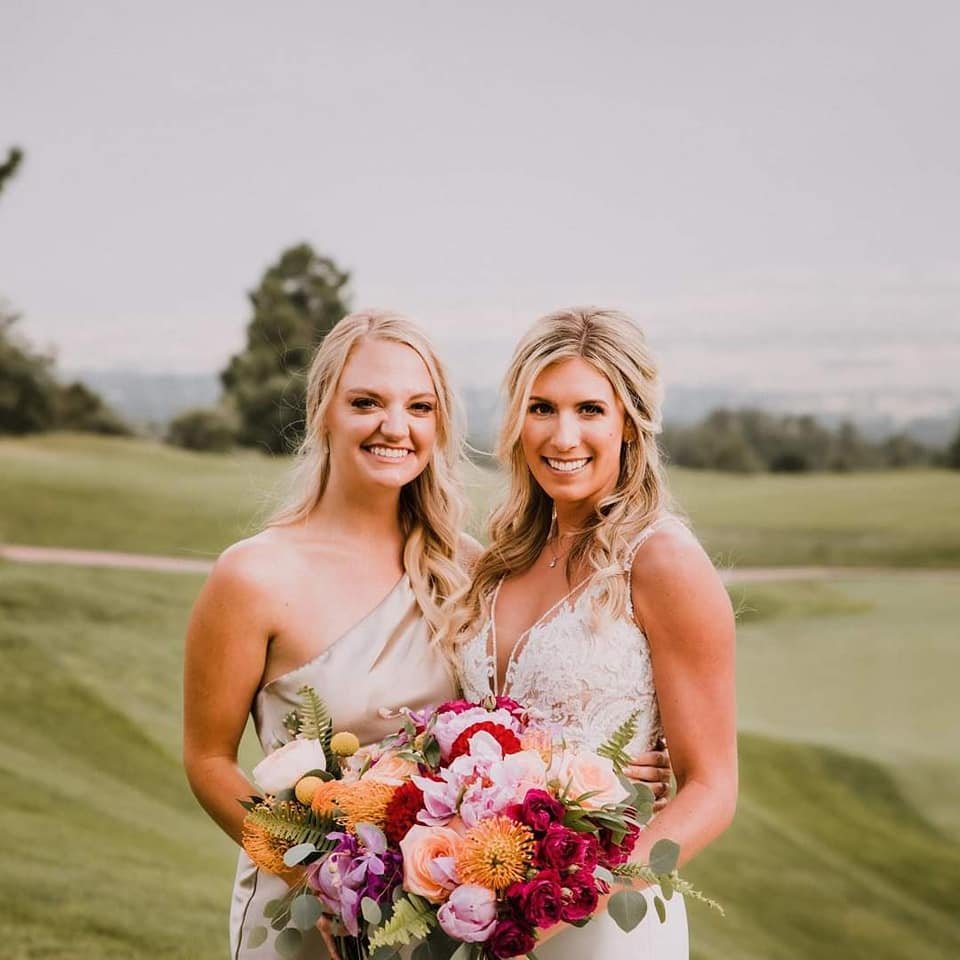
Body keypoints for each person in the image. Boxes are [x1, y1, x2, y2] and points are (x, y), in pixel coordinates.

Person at [183, 309, 672, 960]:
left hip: (433, 917)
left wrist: (610, 766)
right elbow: (208, 761)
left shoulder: (470, 569)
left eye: (419, 406)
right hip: (304, 916)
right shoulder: (252, 575)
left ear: (439, 423)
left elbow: (518, 720)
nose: (394, 426)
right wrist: (319, 880)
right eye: (366, 402)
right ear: (323, 408)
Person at [446, 307, 738, 958]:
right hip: (481, 908)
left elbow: (712, 790)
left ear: (630, 422)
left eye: (590, 410)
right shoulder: (505, 557)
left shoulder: (661, 561)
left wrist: (579, 894)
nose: (563, 435)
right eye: (542, 408)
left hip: (602, 923)